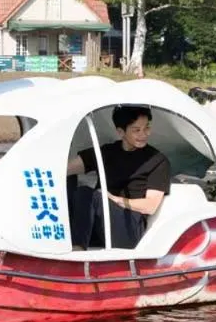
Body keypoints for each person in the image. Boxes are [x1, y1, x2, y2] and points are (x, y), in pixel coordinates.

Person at [66, 105, 170, 249]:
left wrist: (114, 199)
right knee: (67, 179)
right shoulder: (108, 152)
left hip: (129, 228)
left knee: (88, 194)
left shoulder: (157, 160)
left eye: (147, 128)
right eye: (136, 130)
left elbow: (150, 206)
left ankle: (77, 249)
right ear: (121, 132)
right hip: (99, 224)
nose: (144, 134)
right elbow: (66, 169)